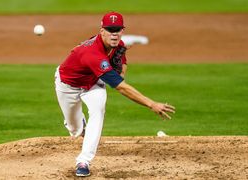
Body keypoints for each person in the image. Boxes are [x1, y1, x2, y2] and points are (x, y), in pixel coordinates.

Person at [54, 12, 175, 177]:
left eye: (117, 29)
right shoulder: (92, 53)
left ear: (122, 30)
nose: (114, 34)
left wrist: (121, 68)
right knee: (75, 130)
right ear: (102, 31)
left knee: (98, 110)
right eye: (110, 30)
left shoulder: (118, 45)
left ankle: (84, 161)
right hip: (68, 86)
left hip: (93, 84)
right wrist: (151, 104)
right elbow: (120, 87)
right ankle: (79, 126)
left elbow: (121, 72)